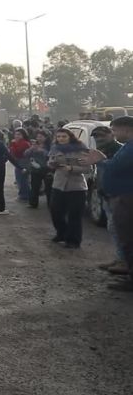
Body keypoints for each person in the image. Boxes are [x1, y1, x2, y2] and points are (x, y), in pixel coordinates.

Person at [83, 116, 133, 291]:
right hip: (121, 195)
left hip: (126, 197)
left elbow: (115, 167)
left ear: (127, 129)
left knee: (127, 237)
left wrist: (100, 159)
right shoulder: (127, 146)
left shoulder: (130, 148)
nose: (114, 134)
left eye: (115, 130)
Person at [47, 128, 91, 248]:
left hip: (76, 187)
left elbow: (88, 169)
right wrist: (51, 164)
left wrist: (72, 168)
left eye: (64, 136)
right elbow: (50, 161)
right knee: (55, 212)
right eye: (59, 136)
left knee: (74, 215)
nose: (61, 139)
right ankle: (61, 233)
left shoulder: (81, 150)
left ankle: (73, 240)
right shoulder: (55, 149)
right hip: (58, 185)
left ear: (70, 137)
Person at [91, 126, 126, 275]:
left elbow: (115, 169)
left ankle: (124, 261)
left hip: (118, 195)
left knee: (119, 229)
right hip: (105, 193)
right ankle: (120, 258)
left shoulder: (120, 149)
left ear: (112, 134)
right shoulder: (101, 149)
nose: (99, 138)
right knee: (113, 228)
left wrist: (102, 160)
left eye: (102, 135)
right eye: (96, 136)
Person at [26, 130, 52, 209]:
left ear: (46, 137)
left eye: (41, 137)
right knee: (34, 186)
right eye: (37, 137)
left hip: (47, 169)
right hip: (35, 169)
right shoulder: (34, 145)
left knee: (49, 188)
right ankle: (33, 203)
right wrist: (31, 149)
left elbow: (52, 155)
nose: (39, 138)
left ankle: (50, 204)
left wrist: (43, 151)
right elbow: (26, 154)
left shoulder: (50, 146)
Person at [9, 129, 32, 202]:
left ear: (23, 135)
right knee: (20, 179)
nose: (17, 136)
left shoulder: (24, 143)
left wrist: (13, 144)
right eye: (16, 134)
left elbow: (18, 153)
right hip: (19, 162)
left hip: (23, 162)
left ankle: (24, 196)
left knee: (22, 179)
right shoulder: (18, 142)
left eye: (19, 134)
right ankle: (24, 195)